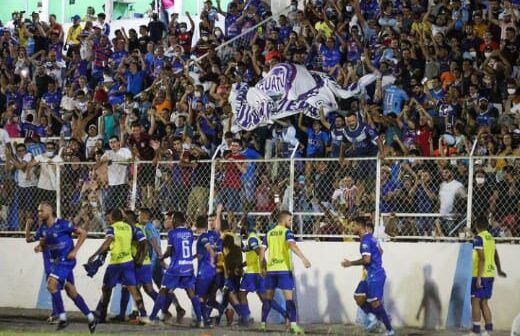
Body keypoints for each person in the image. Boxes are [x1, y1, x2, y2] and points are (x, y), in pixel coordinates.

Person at [33, 202, 97, 332]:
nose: (39, 213)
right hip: (57, 262)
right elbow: (43, 239)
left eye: (41, 211)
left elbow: (83, 233)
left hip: (66, 260)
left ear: (49, 211)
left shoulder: (63, 224)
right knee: (70, 290)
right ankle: (91, 317)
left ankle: (62, 318)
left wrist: (75, 251)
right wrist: (40, 246)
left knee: (51, 284)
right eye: (38, 211)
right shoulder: (43, 228)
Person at [89, 208, 150, 324]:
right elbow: (144, 242)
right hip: (128, 263)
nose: (108, 220)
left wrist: (95, 255)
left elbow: (108, 242)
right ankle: (144, 315)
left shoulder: (112, 228)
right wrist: (139, 258)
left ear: (111, 218)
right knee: (133, 289)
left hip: (115, 264)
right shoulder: (131, 227)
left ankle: (102, 316)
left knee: (106, 289)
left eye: (109, 218)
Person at [148, 211, 204, 327]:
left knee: (163, 290)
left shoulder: (172, 233)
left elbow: (169, 252)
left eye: (172, 219)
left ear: (175, 220)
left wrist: (161, 257)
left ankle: (152, 318)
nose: (171, 220)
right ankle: (200, 320)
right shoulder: (189, 233)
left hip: (175, 268)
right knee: (191, 293)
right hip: (188, 267)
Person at [341, 216, 395, 336]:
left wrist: (350, 263)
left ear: (360, 226)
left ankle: (389, 329)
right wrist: (376, 261)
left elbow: (366, 260)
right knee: (358, 296)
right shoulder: (372, 238)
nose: (351, 228)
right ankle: (375, 315)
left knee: (375, 303)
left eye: (353, 225)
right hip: (371, 274)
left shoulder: (365, 241)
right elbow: (380, 251)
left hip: (375, 275)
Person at [259, 210, 311, 334]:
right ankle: (293, 325)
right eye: (290, 220)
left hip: (271, 270)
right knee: (289, 299)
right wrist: (303, 258)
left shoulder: (269, 233)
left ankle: (262, 324)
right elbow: (292, 245)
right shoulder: (287, 232)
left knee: (268, 299)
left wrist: (263, 266)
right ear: (283, 219)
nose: (291, 222)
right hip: (283, 270)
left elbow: (261, 251)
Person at [238, 217, 287, 324]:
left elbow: (259, 253)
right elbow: (254, 256)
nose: (241, 228)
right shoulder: (253, 238)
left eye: (242, 226)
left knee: (241, 294)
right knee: (264, 298)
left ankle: (246, 318)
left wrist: (263, 268)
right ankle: (285, 313)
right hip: (254, 271)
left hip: (253, 273)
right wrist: (242, 265)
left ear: (246, 227)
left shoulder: (252, 239)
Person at [468, 216, 507, 336]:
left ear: (476, 226)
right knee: (484, 302)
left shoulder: (478, 239)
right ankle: (488, 331)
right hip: (490, 274)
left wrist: (479, 278)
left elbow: (481, 259)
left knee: (475, 301)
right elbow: (495, 254)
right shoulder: (490, 238)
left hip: (481, 274)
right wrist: (499, 270)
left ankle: (476, 331)